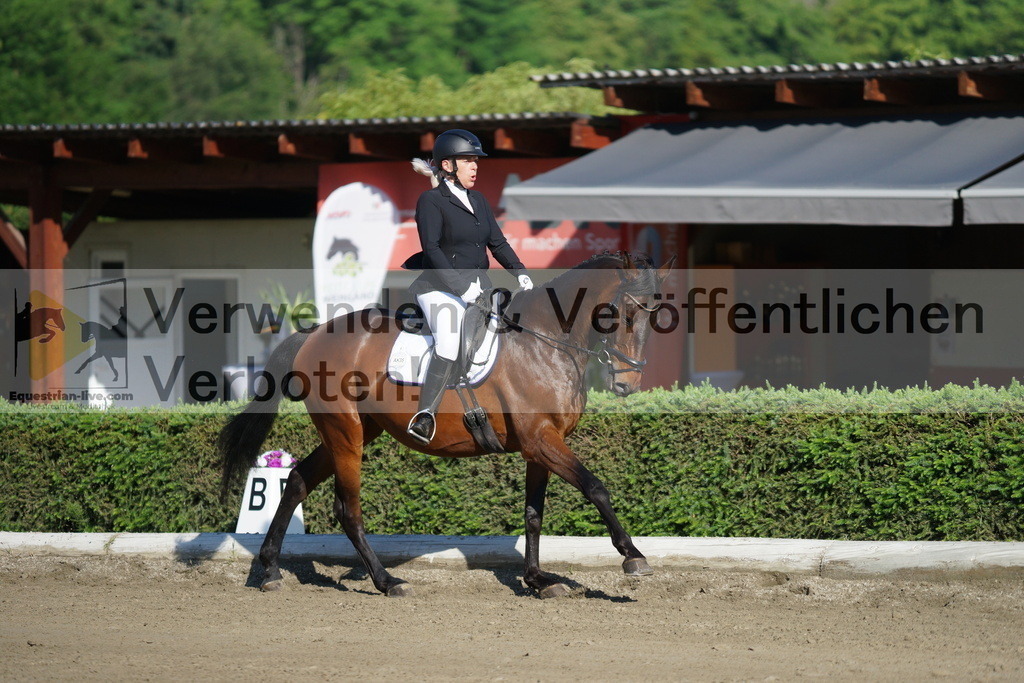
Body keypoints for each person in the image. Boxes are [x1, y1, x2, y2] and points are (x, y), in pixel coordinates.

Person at [403, 129, 533, 445]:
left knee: (510, 333)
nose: (475, 166)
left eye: (476, 160)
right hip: (439, 288)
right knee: (448, 342)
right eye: (468, 160)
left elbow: (497, 242)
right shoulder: (431, 200)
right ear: (448, 165)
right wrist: (462, 289)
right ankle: (425, 415)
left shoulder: (478, 200)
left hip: (480, 287)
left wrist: (521, 274)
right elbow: (431, 249)